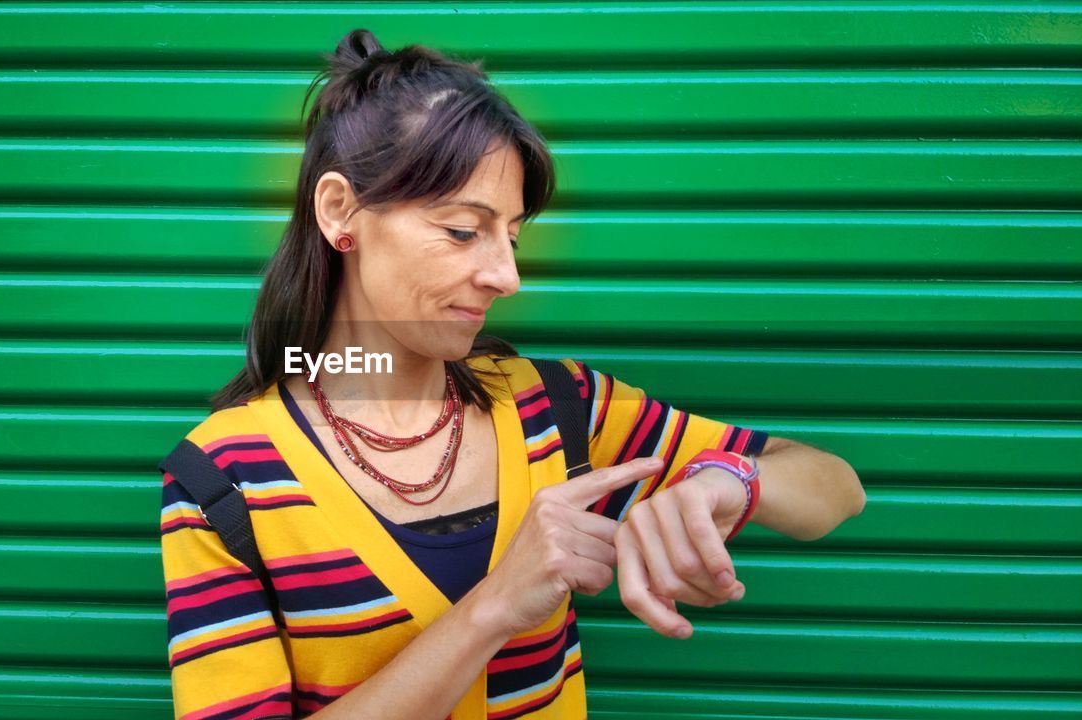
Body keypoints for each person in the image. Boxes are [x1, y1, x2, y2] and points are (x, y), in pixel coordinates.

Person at [158, 28, 866, 720]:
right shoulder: (225, 475)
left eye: (513, 234)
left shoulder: (557, 407)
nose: (507, 276)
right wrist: (498, 604)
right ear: (341, 211)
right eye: (464, 230)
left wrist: (728, 479)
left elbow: (837, 489)